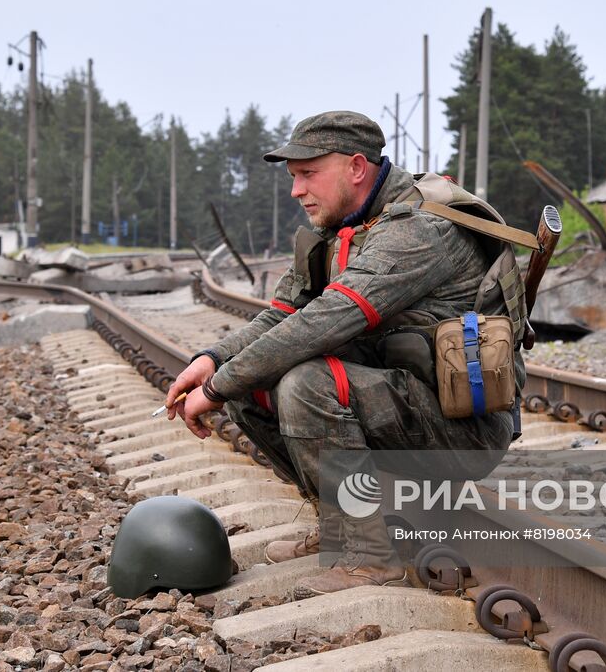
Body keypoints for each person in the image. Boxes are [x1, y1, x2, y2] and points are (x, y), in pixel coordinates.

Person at [165, 110, 524, 597]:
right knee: (254, 384)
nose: (297, 191)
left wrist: (215, 388)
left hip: (464, 428)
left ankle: (370, 558)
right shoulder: (340, 226)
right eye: (294, 177)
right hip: (405, 401)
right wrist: (211, 360)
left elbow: (321, 322)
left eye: (308, 174)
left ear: (357, 168)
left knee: (304, 382)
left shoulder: (419, 230)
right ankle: (340, 530)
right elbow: (281, 317)